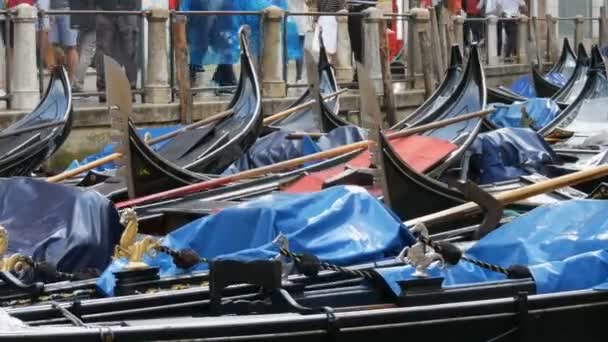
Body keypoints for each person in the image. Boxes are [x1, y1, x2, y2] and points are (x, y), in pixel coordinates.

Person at [95, 0, 140, 99]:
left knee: (129, 50)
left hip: (124, 8)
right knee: (105, 50)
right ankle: (104, 89)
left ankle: (129, 88)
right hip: (107, 9)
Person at [68, 0, 95, 92]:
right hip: (92, 16)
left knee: (79, 50)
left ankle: (73, 83)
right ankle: (77, 84)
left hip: (80, 16)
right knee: (86, 51)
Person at [287, 0, 311, 82]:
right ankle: (299, 77)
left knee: (285, 51)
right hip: (300, 25)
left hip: (290, 24)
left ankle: (285, 77)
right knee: (299, 51)